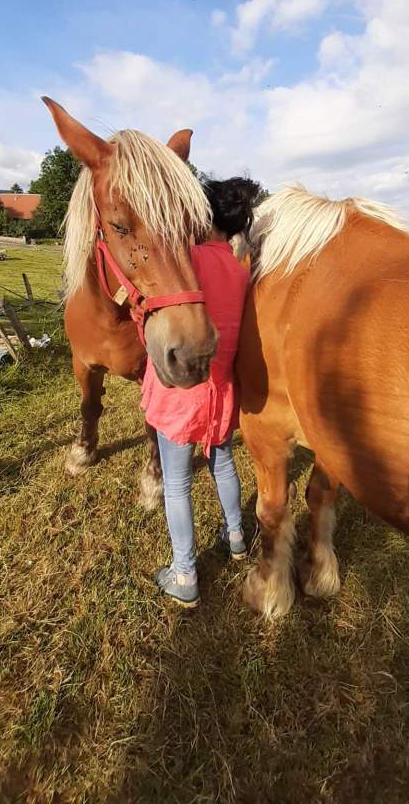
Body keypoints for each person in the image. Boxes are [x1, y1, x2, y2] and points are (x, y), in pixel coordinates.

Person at [142, 176, 261, 607]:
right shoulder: (240, 268)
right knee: (223, 463)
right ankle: (235, 538)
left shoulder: (187, 258)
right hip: (222, 388)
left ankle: (185, 573)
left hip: (181, 391)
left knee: (176, 484)